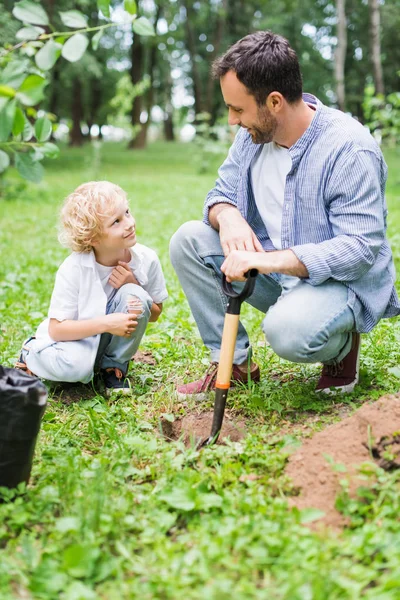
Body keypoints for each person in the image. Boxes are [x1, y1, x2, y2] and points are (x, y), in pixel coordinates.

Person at [170, 30, 400, 399]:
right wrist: (228, 215)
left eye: (238, 109)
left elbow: (359, 249)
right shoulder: (252, 136)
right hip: (276, 273)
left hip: (338, 284)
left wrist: (270, 261)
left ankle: (342, 350)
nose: (232, 120)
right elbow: (221, 194)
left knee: (287, 333)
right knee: (188, 240)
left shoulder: (350, 149)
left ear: (274, 102)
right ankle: (234, 364)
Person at [16, 181, 168, 396]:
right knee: (76, 370)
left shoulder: (146, 259)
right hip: (77, 337)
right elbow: (57, 329)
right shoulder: (74, 268)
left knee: (134, 296)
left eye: (127, 212)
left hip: (108, 339)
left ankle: (113, 367)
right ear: (93, 238)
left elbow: (154, 315)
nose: (129, 223)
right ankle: (30, 352)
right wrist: (107, 323)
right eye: (116, 221)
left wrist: (132, 283)